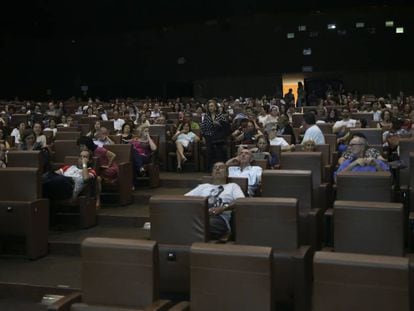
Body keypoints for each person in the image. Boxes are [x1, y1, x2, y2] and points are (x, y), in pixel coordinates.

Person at [185, 162, 245, 240]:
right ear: (212, 173)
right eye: (215, 167)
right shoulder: (203, 187)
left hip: (219, 219)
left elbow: (241, 201)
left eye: (221, 167)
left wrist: (223, 208)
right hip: (199, 216)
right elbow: (184, 199)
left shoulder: (232, 186)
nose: (217, 169)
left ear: (227, 173)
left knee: (204, 224)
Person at [78, 136, 119, 208]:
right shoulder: (85, 153)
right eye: (80, 146)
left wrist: (108, 165)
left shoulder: (98, 149)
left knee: (98, 179)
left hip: (108, 170)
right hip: (97, 169)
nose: (81, 148)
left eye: (82, 146)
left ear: (88, 145)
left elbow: (113, 155)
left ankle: (97, 200)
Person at [201, 99, 230, 171]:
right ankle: (210, 168)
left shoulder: (220, 115)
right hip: (208, 136)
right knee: (209, 151)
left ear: (215, 107)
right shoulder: (206, 116)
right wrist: (203, 137)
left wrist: (219, 124)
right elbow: (203, 127)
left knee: (219, 151)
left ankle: (220, 168)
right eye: (209, 106)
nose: (210, 107)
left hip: (218, 136)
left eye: (212, 106)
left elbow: (226, 127)